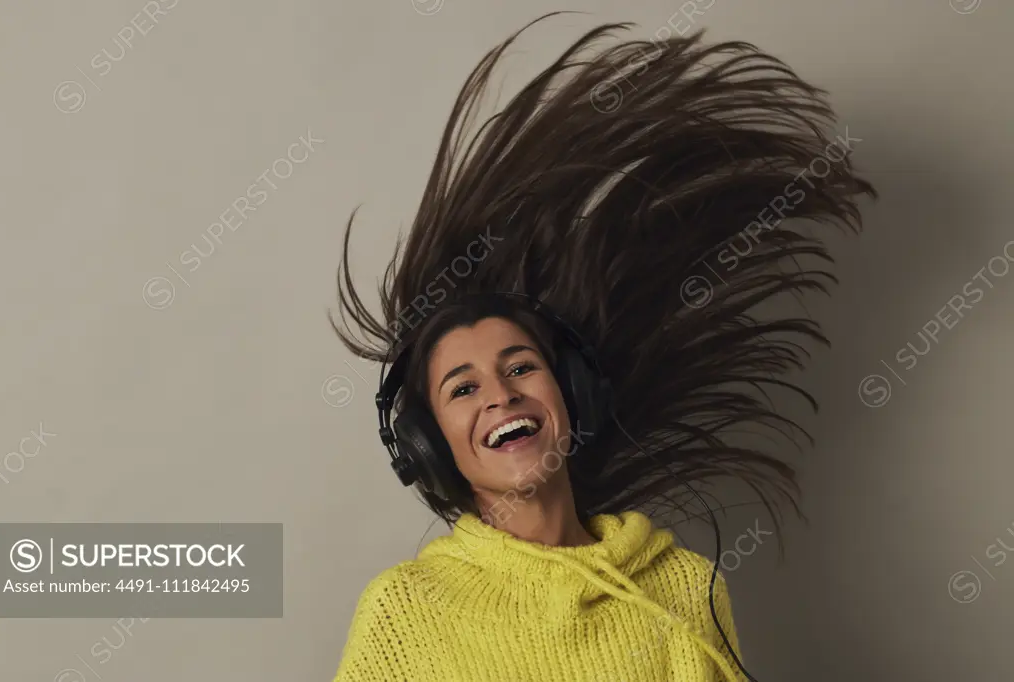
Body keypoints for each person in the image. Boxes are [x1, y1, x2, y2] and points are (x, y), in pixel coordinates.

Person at [329, 12, 876, 682]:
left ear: (571, 390)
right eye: (463, 388)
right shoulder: (405, 612)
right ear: (427, 441)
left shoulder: (682, 587)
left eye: (521, 367)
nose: (500, 395)